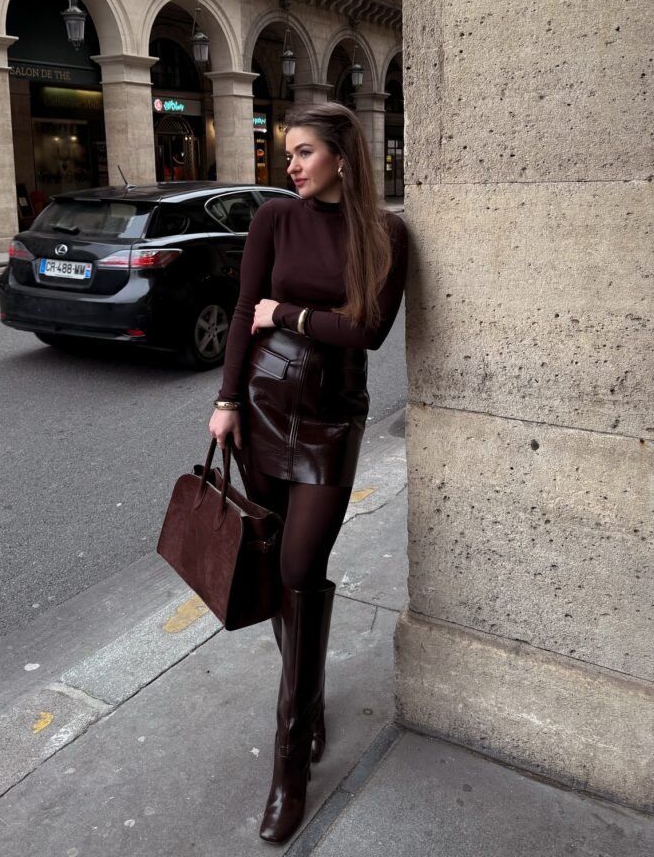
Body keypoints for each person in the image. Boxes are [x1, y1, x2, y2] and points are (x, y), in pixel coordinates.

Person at [208, 101, 407, 844]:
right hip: (261, 402)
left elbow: (369, 331)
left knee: (301, 566)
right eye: (286, 152)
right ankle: (306, 712)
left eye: (301, 152)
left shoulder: (386, 233)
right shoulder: (274, 221)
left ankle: (289, 763)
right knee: (275, 569)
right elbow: (239, 312)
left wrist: (284, 314)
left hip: (331, 415)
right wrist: (226, 399)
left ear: (341, 156)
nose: (288, 165)